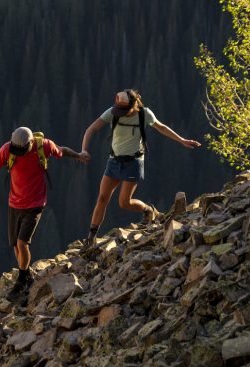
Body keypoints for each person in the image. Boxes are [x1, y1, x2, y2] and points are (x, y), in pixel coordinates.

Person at [79, 89, 201, 248]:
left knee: (124, 202)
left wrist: (182, 140)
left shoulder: (144, 114)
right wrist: (84, 149)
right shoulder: (113, 112)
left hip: (133, 162)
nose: (120, 113)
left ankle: (148, 210)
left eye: (123, 110)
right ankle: (91, 236)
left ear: (133, 105)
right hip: (114, 161)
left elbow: (161, 127)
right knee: (102, 198)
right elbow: (91, 129)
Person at [0, 127, 85, 299]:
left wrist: (78, 155)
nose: (18, 154)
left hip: (35, 203)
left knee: (22, 243)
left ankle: (21, 281)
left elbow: (61, 151)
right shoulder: (7, 150)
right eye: (16, 151)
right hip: (14, 203)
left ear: (31, 142)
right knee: (15, 245)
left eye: (22, 151)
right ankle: (26, 276)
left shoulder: (44, 146)